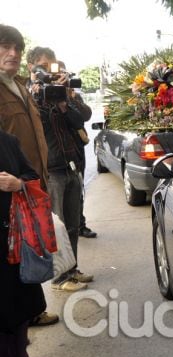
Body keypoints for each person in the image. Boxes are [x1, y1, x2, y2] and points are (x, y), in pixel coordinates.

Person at [0, 25, 59, 327]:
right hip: (7, 194)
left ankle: (30, 315)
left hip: (29, 183)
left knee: (30, 251)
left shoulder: (19, 86)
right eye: (5, 46)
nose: (13, 53)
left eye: (17, 48)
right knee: (12, 267)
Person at [27, 46, 92, 291]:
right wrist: (37, 94)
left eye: (51, 65)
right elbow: (35, 126)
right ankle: (61, 277)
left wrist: (65, 99)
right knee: (58, 227)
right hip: (52, 169)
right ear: (31, 67)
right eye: (42, 66)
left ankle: (72, 270)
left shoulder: (63, 92)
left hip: (72, 164)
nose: (48, 70)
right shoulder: (28, 94)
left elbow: (81, 118)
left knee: (73, 225)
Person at [0, 130, 47, 357]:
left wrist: (18, 184)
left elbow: (31, 174)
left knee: (21, 300)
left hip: (15, 235)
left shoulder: (8, 140)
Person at [57, 60, 97, 239]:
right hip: (58, 155)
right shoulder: (44, 95)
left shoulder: (71, 95)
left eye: (63, 73)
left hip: (77, 150)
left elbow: (86, 115)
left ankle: (80, 223)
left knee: (78, 188)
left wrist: (70, 97)